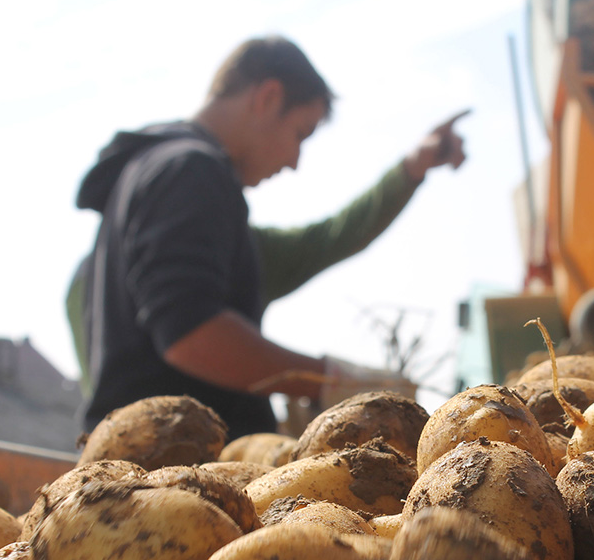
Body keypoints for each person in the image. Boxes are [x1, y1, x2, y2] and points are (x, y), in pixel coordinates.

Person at [68, 35, 467, 438]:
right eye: (300, 133)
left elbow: (324, 241)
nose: (295, 162)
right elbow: (191, 334)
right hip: (170, 464)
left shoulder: (160, 180)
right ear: (268, 98)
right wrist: (327, 380)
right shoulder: (189, 172)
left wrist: (411, 170)